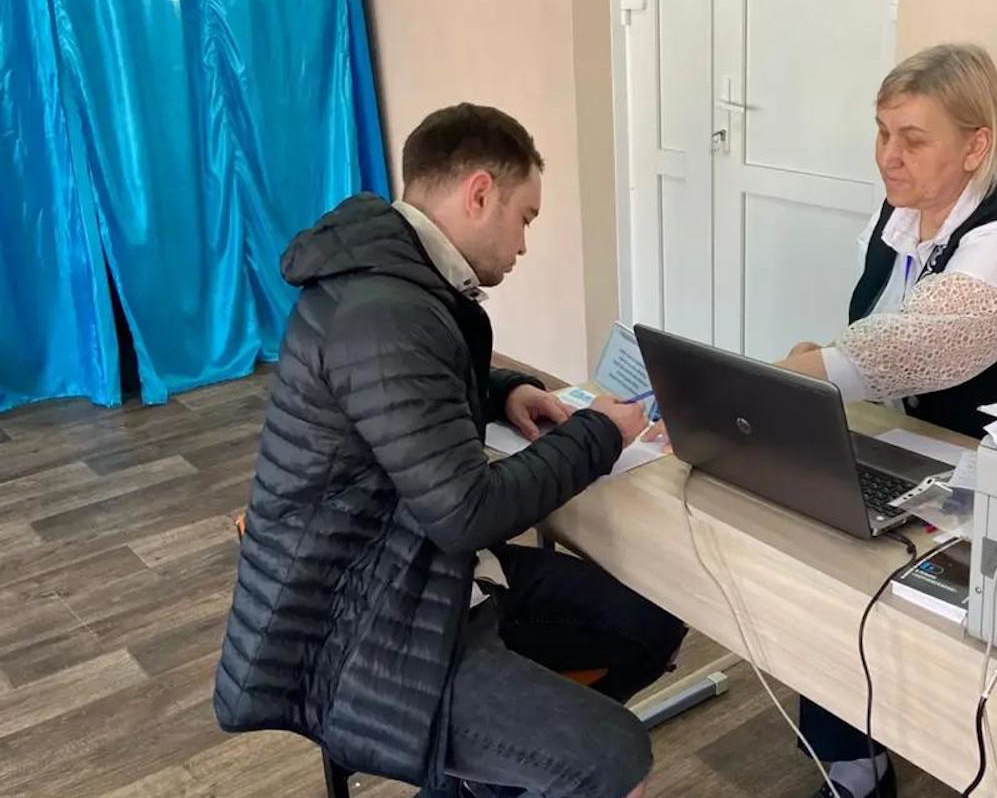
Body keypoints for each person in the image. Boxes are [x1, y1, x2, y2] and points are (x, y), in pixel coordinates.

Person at [213, 103, 686, 798]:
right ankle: (498, 771)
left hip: (413, 571)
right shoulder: (386, 311)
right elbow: (467, 513)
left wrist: (505, 392)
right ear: (480, 193)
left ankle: (493, 773)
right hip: (361, 627)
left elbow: (402, 389)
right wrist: (600, 434)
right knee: (613, 755)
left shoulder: (393, 280)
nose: (524, 245)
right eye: (525, 218)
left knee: (651, 619)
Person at [783, 43, 997, 798]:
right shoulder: (907, 212)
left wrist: (790, 375)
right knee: (812, 545)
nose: (887, 157)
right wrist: (823, 359)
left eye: (912, 138)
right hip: (929, 450)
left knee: (846, 559)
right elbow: (876, 330)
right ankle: (852, 760)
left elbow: (917, 345)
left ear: (976, 145)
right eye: (881, 132)